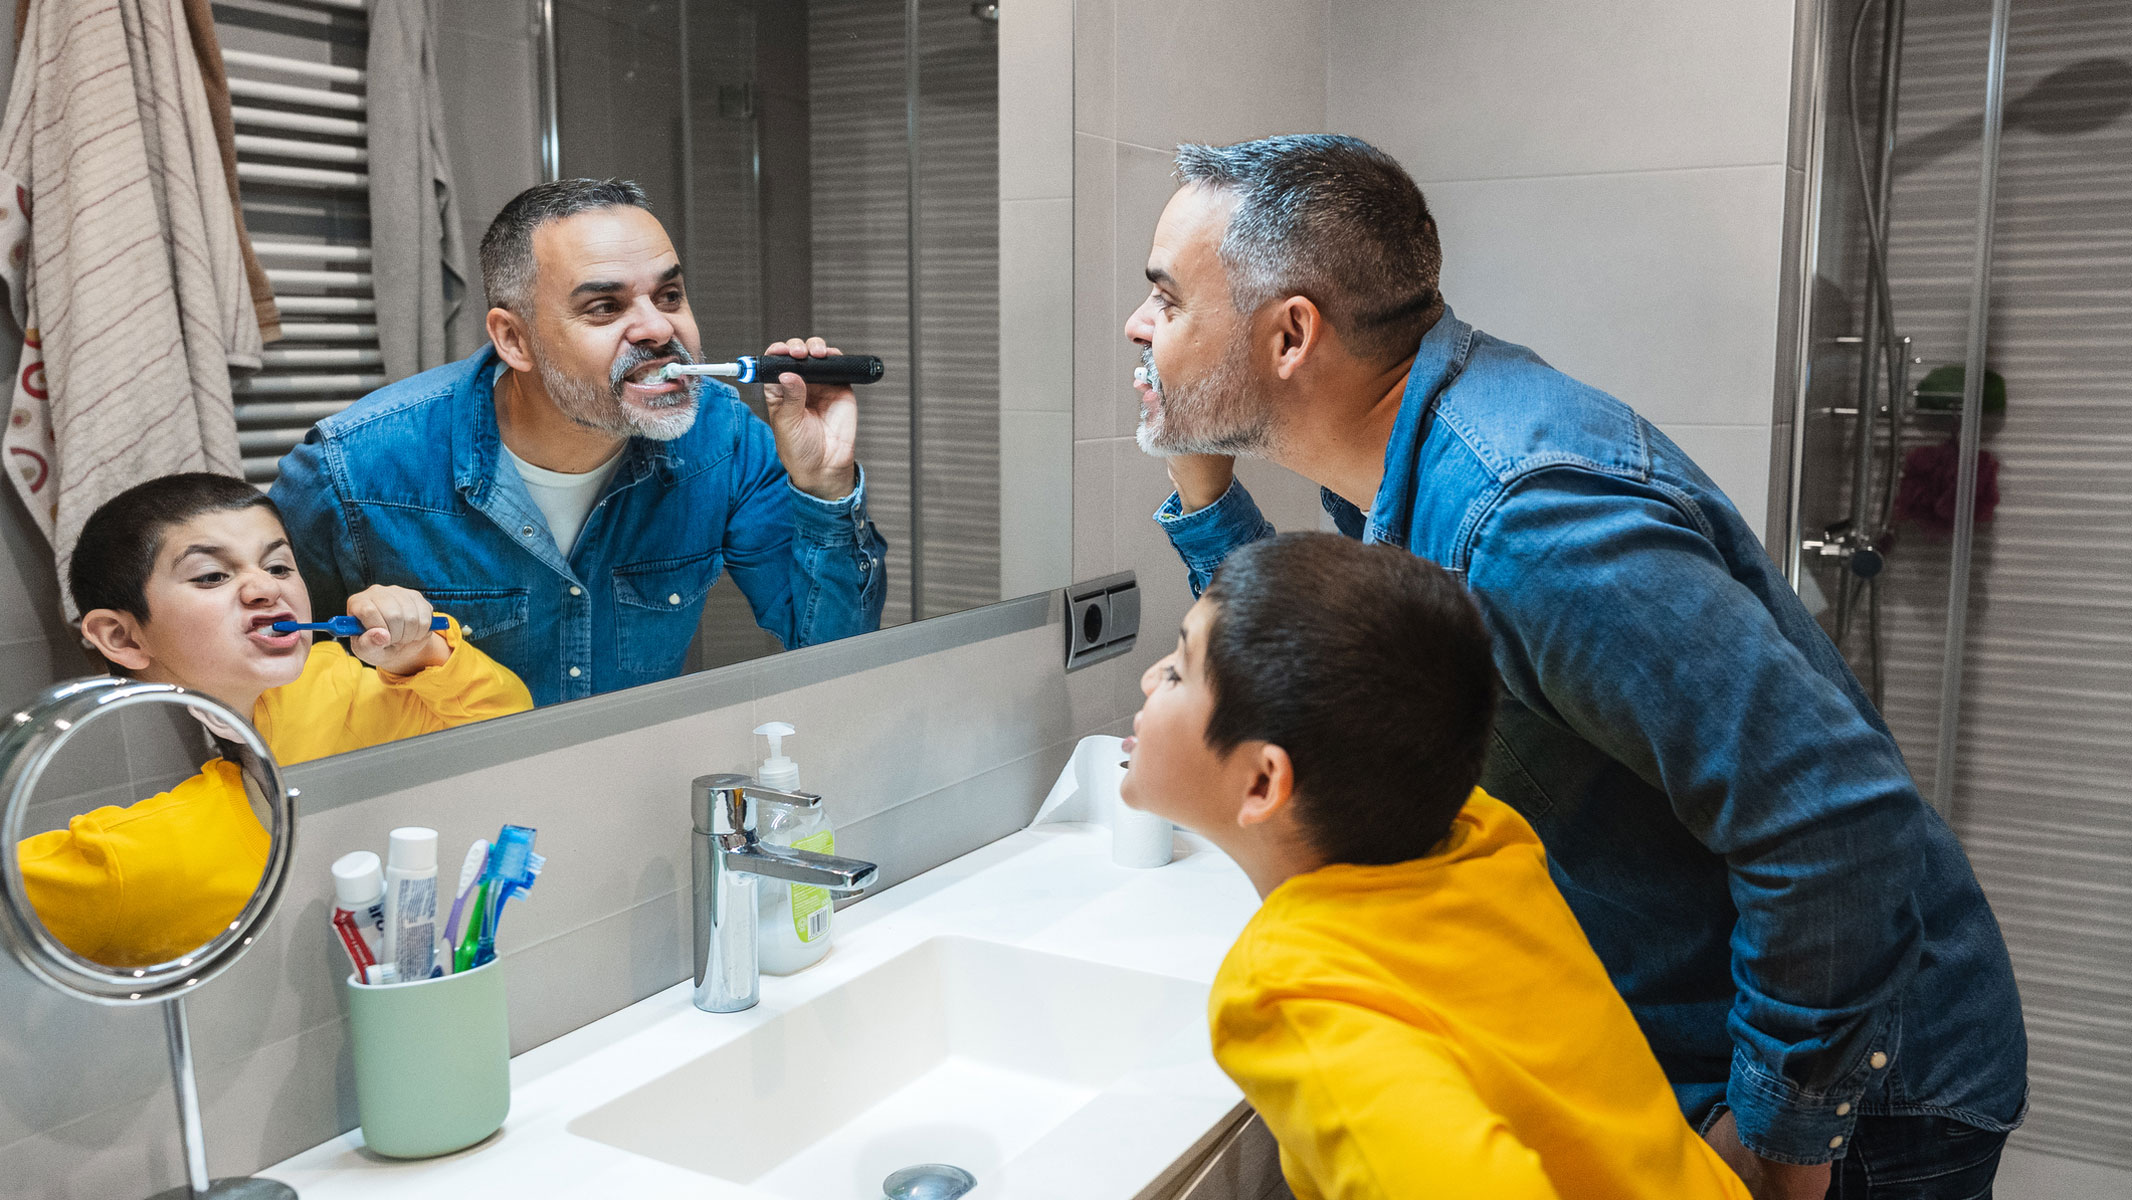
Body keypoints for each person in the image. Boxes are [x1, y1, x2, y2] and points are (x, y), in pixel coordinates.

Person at [1127, 135, 2024, 1199]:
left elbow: (1831, 816)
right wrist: (1199, 493)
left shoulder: (1527, 524)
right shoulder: (1421, 451)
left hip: (1865, 1096)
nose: (1140, 328)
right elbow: (1316, 664)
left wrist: (1780, 1147)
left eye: (1167, 299)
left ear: (1290, 334)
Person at [1120, 532, 1750, 1200]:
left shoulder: (1292, 991)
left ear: (1262, 784)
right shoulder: (1480, 835)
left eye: (1178, 671)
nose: (1148, 677)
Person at [271, 178, 887, 708]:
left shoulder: (722, 441)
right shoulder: (352, 471)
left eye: (669, 295)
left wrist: (825, 487)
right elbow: (268, 690)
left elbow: (832, 655)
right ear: (514, 340)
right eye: (604, 306)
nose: (657, 327)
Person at [18, 473, 533, 966]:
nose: (264, 588)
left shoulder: (357, 694)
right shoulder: (129, 858)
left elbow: (524, 743)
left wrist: (421, 656)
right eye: (211, 576)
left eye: (280, 567)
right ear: (123, 638)